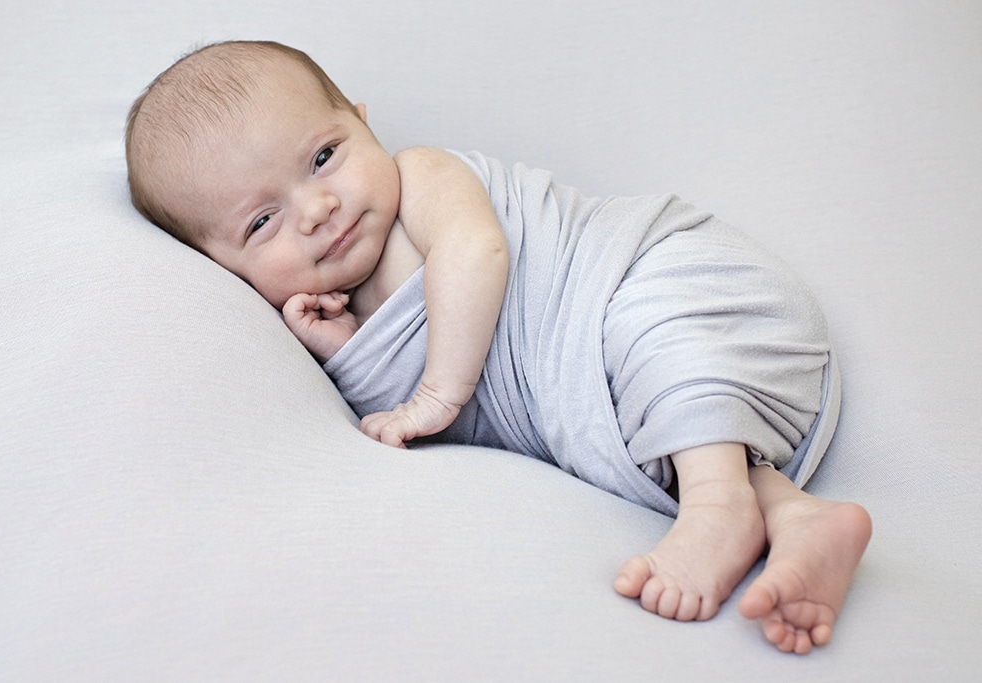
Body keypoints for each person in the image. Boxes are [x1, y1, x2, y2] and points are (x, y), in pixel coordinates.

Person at [125, 40, 871, 655]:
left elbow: (477, 255)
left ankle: (717, 508)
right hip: (648, 387)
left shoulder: (422, 177)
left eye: (323, 157)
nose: (317, 210)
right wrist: (348, 351)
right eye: (262, 222)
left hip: (673, 284)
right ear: (220, 268)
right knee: (650, 413)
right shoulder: (327, 312)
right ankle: (794, 515)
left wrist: (434, 394)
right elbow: (449, 411)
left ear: (360, 120)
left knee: (653, 342)